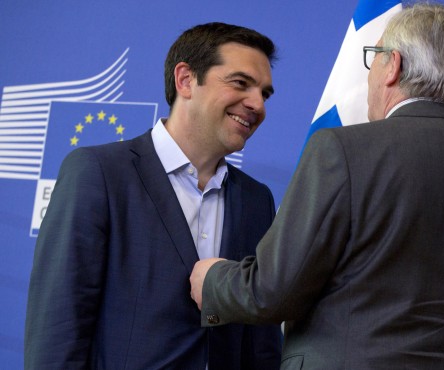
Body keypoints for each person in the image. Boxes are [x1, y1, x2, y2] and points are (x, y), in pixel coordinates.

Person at [190, 3, 444, 369]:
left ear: (394, 66)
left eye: (374, 58)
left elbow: (273, 291)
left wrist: (212, 281)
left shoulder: (341, 150)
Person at [25, 22, 282, 369]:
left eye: (264, 94)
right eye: (240, 83)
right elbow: (58, 330)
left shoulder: (257, 200)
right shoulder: (97, 173)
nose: (257, 104)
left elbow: (260, 340)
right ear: (186, 80)